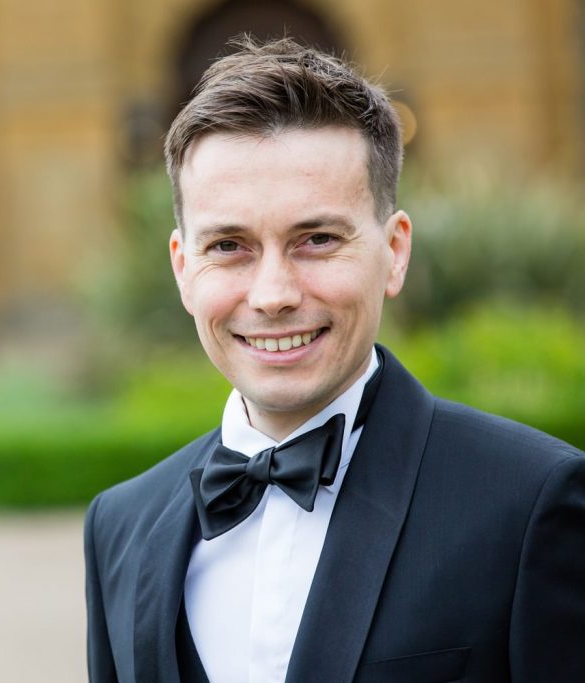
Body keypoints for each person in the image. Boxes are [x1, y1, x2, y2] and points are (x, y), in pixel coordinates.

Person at [84, 36, 585, 683]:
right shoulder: (118, 525)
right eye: (229, 244)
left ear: (395, 250)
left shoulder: (531, 502)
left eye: (317, 239)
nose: (273, 295)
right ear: (184, 267)